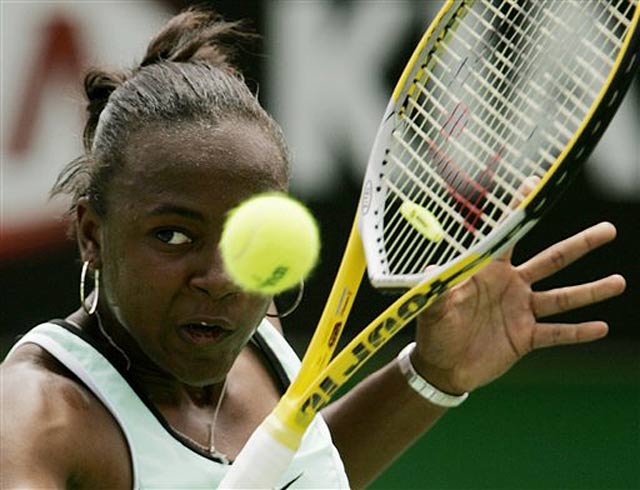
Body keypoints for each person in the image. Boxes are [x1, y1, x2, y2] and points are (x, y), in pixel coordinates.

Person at [0, 8, 626, 489]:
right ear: (91, 234)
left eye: (245, 236)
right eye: (173, 234)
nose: (219, 277)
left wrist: (431, 377)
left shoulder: (252, 334)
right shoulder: (41, 416)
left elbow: (297, 471)